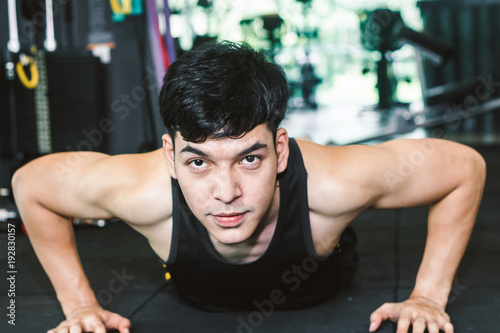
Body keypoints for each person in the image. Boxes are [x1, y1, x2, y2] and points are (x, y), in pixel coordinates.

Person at [12, 42, 485, 333]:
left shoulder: (335, 180)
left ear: (281, 149)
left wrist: (427, 295)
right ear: (169, 157)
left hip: (322, 282)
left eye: (250, 158)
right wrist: (79, 306)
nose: (226, 191)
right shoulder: (141, 190)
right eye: (198, 161)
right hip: (195, 292)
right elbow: (29, 183)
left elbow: (464, 167)